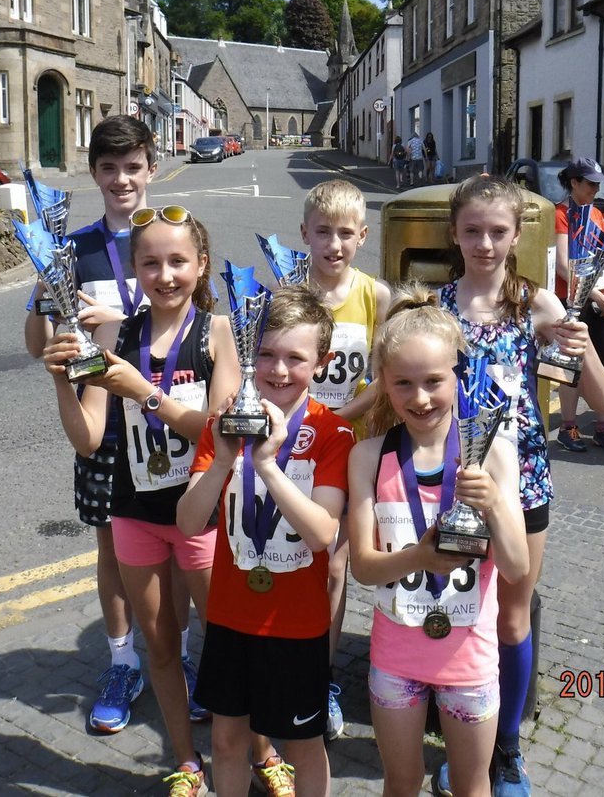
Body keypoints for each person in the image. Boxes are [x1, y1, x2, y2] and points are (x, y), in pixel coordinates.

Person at [43, 206, 239, 795]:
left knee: (227, 642)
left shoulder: (221, 332)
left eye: (179, 261)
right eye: (151, 262)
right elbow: (88, 437)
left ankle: (258, 750)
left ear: (200, 266)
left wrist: (145, 392)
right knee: (159, 644)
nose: (166, 274)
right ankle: (185, 760)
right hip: (134, 514)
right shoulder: (113, 334)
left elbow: (220, 432)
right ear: (135, 269)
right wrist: (61, 379)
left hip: (201, 513)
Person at [436, 176, 588, 797]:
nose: (485, 244)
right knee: (458, 611)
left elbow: (602, 402)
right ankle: (464, 744)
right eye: (472, 231)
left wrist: (585, 349)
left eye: (498, 231)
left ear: (517, 233)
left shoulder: (540, 307)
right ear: (454, 233)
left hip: (522, 478)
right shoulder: (434, 306)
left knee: (513, 619)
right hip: (449, 479)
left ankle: (508, 751)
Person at [347, 288, 529, 797]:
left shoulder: (492, 453)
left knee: (471, 786)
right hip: (395, 656)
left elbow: (515, 569)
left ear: (458, 375)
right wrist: (422, 557)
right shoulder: (367, 457)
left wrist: (492, 504)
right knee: (400, 783)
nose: (420, 398)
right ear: (383, 382)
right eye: (403, 383)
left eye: (433, 381)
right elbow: (363, 566)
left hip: (469, 659)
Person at [178, 286, 354, 797]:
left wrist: (267, 465)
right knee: (229, 738)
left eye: (295, 358)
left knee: (301, 745)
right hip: (231, 615)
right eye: (266, 355)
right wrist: (230, 454)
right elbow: (189, 521)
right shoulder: (223, 426)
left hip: (296, 625)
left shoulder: (331, 433)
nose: (278, 370)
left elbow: (323, 533)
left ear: (321, 363)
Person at [23, 116, 160, 734]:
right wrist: (41, 299)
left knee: (178, 547)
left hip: (165, 411)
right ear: (94, 173)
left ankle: (180, 659)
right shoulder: (69, 250)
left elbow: (204, 315)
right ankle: (124, 661)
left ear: (150, 168)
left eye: (132, 167)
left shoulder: (175, 233)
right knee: (111, 543)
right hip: (100, 418)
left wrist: (127, 314)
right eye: (109, 168)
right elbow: (37, 345)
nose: (121, 179)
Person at [299, 179, 391, 740]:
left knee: (335, 565)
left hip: (351, 447)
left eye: (345, 233)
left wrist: (339, 417)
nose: (334, 244)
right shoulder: (291, 289)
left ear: (362, 235)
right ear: (305, 233)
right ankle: (290, 659)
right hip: (300, 445)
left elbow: (384, 378)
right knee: (297, 561)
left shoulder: (374, 296)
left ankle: (322, 676)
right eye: (323, 232)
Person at [552, 158, 604, 454]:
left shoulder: (595, 213)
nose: (596, 189)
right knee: (571, 366)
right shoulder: (560, 214)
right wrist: (597, 295)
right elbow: (563, 264)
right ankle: (568, 426)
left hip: (601, 297)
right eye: (591, 183)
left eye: (598, 184)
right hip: (572, 300)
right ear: (574, 183)